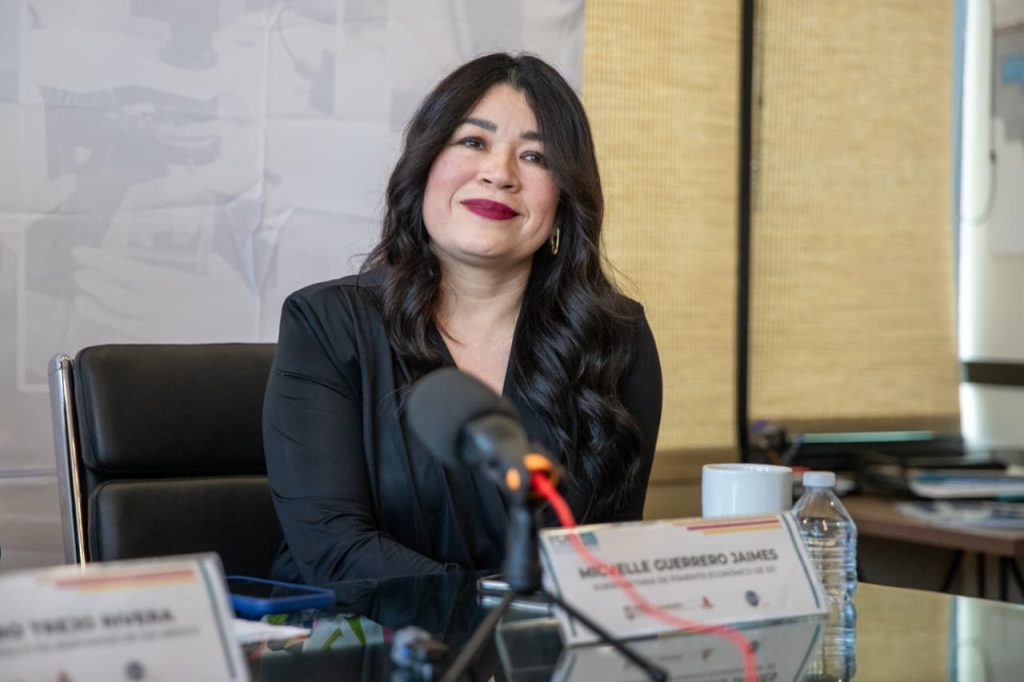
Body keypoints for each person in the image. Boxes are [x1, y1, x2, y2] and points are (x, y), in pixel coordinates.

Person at [263, 52, 662, 585]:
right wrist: (489, 621)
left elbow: (611, 549)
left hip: (545, 636)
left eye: (536, 157)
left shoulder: (615, 338)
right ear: (425, 165)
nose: (500, 174)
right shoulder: (327, 325)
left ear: (564, 199)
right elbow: (332, 547)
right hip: (365, 630)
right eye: (473, 142)